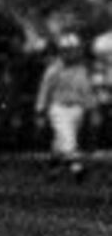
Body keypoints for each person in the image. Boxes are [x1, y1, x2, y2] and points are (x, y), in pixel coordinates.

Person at [33, 35, 95, 182]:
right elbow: (44, 89)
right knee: (68, 139)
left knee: (60, 142)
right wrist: (40, 110)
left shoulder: (81, 69)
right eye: (68, 50)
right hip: (58, 108)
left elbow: (86, 90)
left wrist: (92, 108)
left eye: (74, 50)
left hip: (77, 109)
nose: (72, 53)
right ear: (62, 51)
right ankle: (78, 168)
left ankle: (53, 169)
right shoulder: (53, 69)